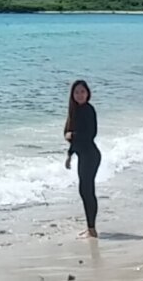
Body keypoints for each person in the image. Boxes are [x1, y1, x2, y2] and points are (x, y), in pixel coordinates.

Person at [64, 80, 101, 239]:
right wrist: (69, 155)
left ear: (88, 93)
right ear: (72, 95)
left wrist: (73, 135)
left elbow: (90, 135)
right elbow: (73, 139)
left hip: (91, 156)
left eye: (82, 92)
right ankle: (90, 227)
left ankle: (92, 229)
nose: (80, 95)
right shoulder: (74, 111)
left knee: (87, 191)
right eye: (77, 92)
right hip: (82, 155)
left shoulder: (88, 110)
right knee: (83, 191)